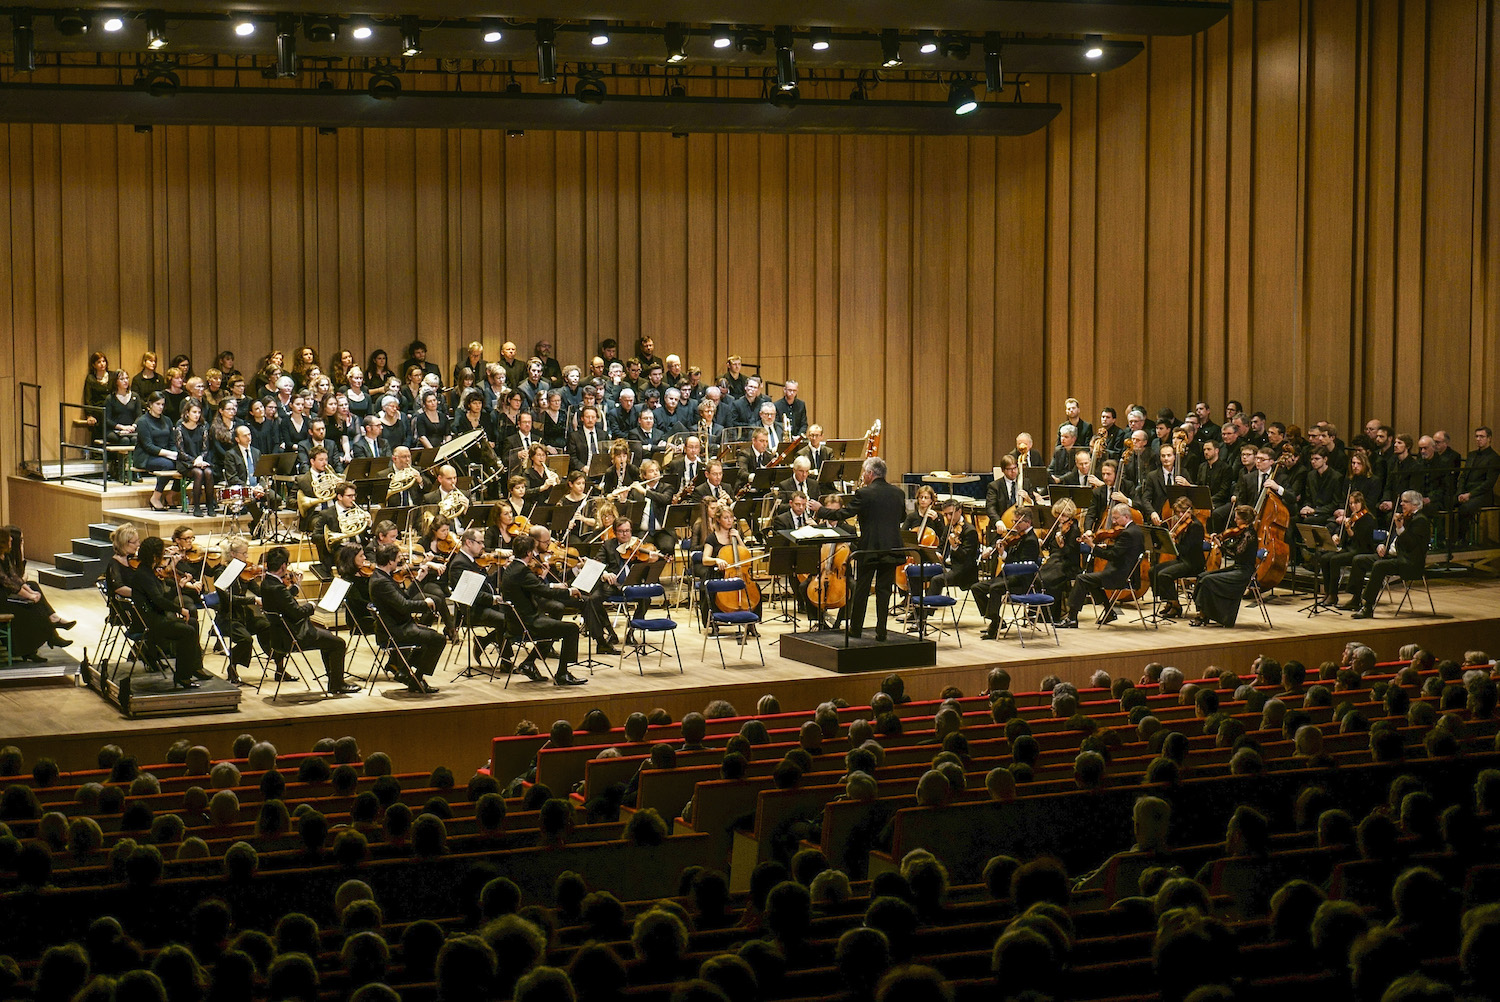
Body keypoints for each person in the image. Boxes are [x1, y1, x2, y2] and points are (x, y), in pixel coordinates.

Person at [818, 457, 905, 641]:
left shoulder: (864, 493)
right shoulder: (898, 493)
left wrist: (821, 510)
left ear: (870, 474)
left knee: (862, 589)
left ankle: (856, 628)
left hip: (870, 548)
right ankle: (881, 629)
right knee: (884, 590)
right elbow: (902, 516)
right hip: (893, 547)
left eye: (864, 473)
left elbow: (844, 513)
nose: (863, 476)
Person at [259, 546, 357, 694]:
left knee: (329, 639)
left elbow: (283, 602)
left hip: (279, 637)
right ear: (283, 566)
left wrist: (296, 586)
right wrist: (311, 606)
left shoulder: (267, 583)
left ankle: (334, 680)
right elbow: (297, 613)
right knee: (338, 643)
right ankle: (337, 684)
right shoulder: (277, 588)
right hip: (295, 636)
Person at [499, 534, 588, 686]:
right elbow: (545, 592)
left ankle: (529, 663)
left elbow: (534, 587)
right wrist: (569, 592)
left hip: (514, 623)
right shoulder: (523, 572)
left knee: (553, 625)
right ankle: (562, 674)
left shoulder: (511, 569)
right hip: (527, 625)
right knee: (571, 629)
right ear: (528, 553)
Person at [130, 535, 207, 688]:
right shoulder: (144, 574)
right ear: (154, 556)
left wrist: (180, 585)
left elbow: (163, 597)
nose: (163, 557)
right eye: (161, 553)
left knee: (192, 622)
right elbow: (158, 601)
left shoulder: (149, 571)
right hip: (149, 622)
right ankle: (183, 677)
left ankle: (195, 667)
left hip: (156, 616)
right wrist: (180, 609)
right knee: (188, 632)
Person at [367, 543, 445, 693]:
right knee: (437, 639)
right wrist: (425, 604)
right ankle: (416, 678)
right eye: (397, 559)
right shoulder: (381, 582)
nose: (399, 563)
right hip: (395, 631)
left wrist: (419, 580)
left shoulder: (382, 577)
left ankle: (404, 671)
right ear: (390, 561)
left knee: (429, 637)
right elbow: (404, 605)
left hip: (399, 625)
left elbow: (404, 598)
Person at [1346, 490, 1430, 619]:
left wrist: (1400, 528)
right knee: (1359, 560)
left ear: (1415, 504)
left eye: (1405, 501)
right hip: (1392, 556)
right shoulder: (1405, 517)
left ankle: (1367, 606)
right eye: (1401, 501)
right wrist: (1382, 545)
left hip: (1409, 562)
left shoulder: (1420, 521)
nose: (1401, 504)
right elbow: (1391, 537)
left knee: (1380, 566)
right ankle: (1355, 598)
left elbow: (1410, 545)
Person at [1062, 503, 1145, 628]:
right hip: (1127, 572)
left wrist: (1093, 546)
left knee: (1082, 578)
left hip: (1119, 575)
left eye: (1116, 518)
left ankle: (1072, 618)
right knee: (1090, 580)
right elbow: (1123, 550)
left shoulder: (1128, 534)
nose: (1114, 521)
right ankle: (1109, 612)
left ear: (1126, 517)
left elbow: (1113, 556)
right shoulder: (1136, 530)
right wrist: (1107, 546)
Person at [0, 526, 75, 660]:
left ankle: (45, 638)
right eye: (8, 538)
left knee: (33, 595)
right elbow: (7, 582)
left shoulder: (4, 556)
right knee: (30, 608)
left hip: (6, 595)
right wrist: (30, 596)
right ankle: (47, 637)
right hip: (2, 601)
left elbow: (14, 577)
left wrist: (31, 592)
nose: (11, 539)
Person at [969, 509, 1041, 639]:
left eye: (1018, 521)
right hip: (1008, 578)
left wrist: (1003, 554)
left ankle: (994, 625)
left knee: (995, 588)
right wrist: (1000, 549)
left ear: (1028, 522)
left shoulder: (1030, 540)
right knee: (976, 588)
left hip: (1020, 581)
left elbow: (1020, 566)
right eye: (1014, 521)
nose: (1015, 524)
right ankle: (996, 618)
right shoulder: (1018, 537)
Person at [1189, 505, 1259, 627]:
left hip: (1244, 572)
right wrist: (1219, 538)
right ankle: (1204, 612)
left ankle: (1203, 615)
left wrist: (1220, 546)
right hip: (1237, 568)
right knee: (1202, 576)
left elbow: (1236, 554)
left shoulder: (1249, 535)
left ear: (1245, 520)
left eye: (1237, 518)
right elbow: (1234, 548)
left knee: (1208, 580)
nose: (1235, 520)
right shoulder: (1242, 532)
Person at [214, 535, 270, 686]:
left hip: (245, 616)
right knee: (246, 639)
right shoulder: (221, 573)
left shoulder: (245, 572)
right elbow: (228, 600)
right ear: (233, 554)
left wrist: (270, 583)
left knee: (268, 626)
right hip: (227, 618)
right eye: (244, 553)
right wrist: (253, 600)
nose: (247, 556)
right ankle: (232, 666)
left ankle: (278, 666)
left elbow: (258, 591)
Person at [1318, 490, 1376, 609]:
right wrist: (1338, 537)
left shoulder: (1367, 519)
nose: (1353, 505)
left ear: (1362, 503)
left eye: (1356, 503)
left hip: (1361, 550)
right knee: (1324, 558)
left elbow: (1360, 540)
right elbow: (1344, 540)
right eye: (1351, 503)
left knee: (1335, 560)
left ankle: (1334, 594)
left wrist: (1349, 530)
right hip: (1349, 549)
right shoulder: (1351, 518)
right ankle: (1328, 592)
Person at [1150, 496, 1206, 620]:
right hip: (1182, 560)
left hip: (1193, 563)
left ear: (1190, 511)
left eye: (1183, 512)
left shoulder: (1195, 526)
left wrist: (1174, 543)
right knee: (1153, 571)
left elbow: (1187, 549)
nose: (1180, 515)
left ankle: (1176, 605)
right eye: (1177, 512)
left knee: (1164, 575)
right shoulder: (1182, 524)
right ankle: (1168, 601)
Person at [132, 392, 177, 512]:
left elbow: (172, 443)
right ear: (150, 404)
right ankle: (155, 497)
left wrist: (176, 454)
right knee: (168, 465)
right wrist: (170, 454)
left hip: (165, 454)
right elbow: (148, 446)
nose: (161, 407)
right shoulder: (142, 421)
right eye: (158, 404)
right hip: (145, 456)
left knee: (183, 464)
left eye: (162, 404)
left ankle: (171, 494)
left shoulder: (167, 420)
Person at [174, 399, 218, 517]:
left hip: (200, 459)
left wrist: (200, 459)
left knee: (208, 472)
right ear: (187, 413)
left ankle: (210, 505)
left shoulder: (203, 427)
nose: (197, 415)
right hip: (185, 462)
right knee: (198, 473)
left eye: (199, 412)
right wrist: (194, 461)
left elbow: (205, 448)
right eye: (194, 412)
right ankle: (196, 506)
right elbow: (181, 451)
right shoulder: (179, 428)